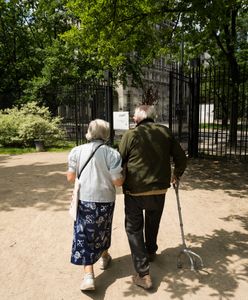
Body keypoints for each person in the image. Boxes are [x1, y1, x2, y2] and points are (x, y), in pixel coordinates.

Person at [118, 105, 187, 290]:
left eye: (134, 115)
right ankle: (150, 251)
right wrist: (176, 174)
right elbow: (181, 158)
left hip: (135, 190)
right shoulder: (165, 132)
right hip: (159, 190)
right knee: (153, 221)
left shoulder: (130, 135)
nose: (133, 118)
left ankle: (143, 274)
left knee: (133, 229)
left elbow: (119, 159)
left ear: (139, 118)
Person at [67, 119, 124, 291]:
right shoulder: (112, 154)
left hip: (84, 198)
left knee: (83, 234)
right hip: (106, 199)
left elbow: (70, 177)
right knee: (103, 229)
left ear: (89, 132)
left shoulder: (76, 151)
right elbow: (118, 182)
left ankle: (89, 277)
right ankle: (104, 256)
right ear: (106, 134)